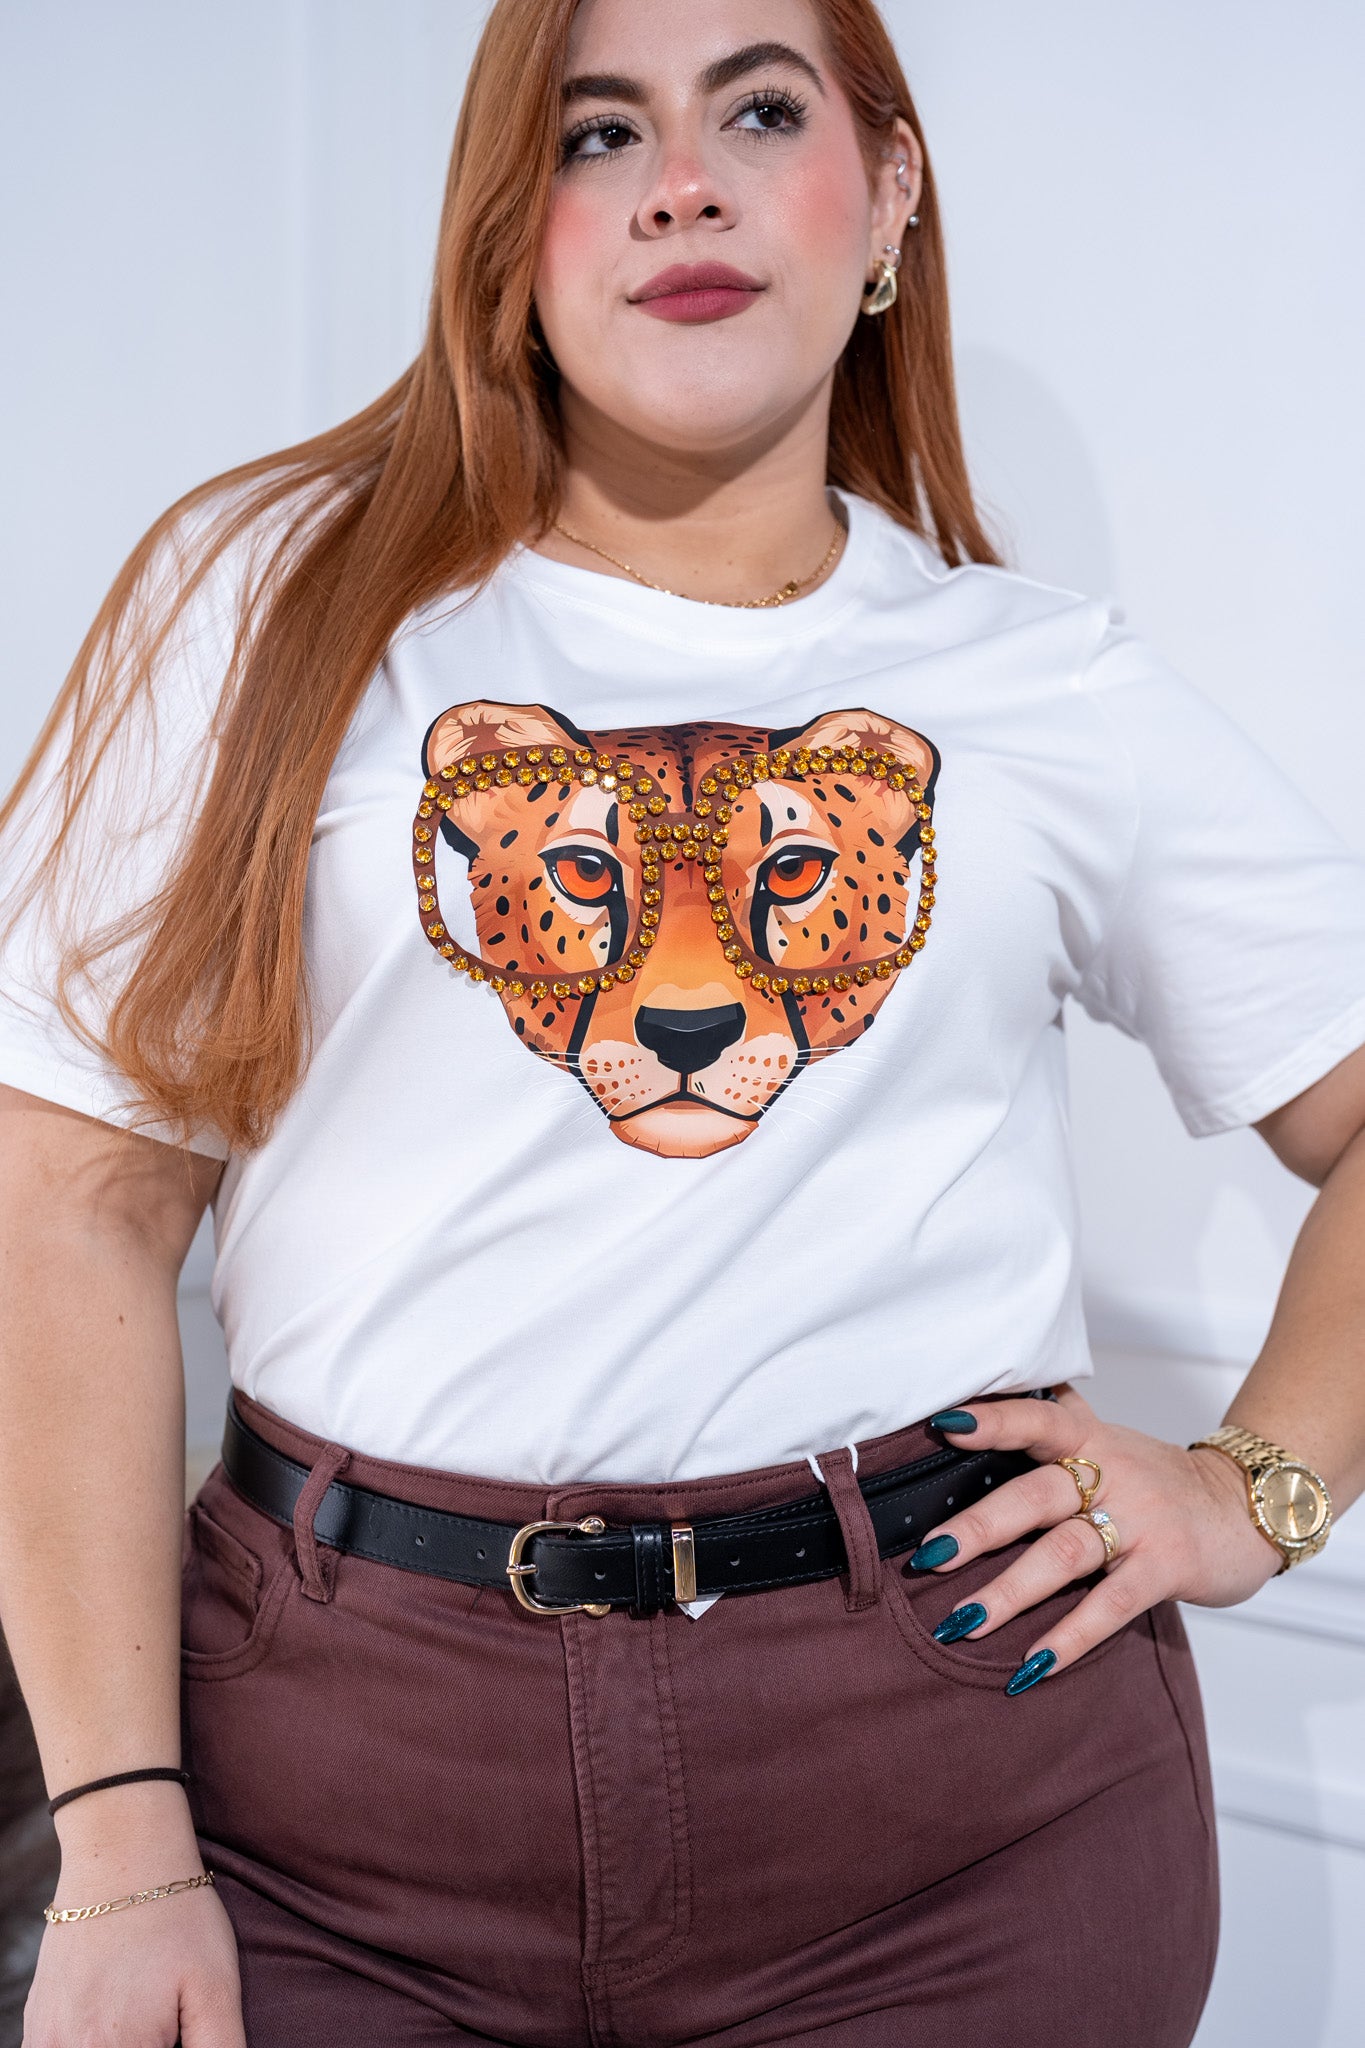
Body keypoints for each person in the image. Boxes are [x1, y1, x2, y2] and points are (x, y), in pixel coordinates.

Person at [2, 0, 1363, 2042]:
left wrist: (1260, 1487)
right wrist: (121, 1842)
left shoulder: (1033, 686)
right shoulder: (269, 600)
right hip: (339, 1787)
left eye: (758, 110)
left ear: (886, 196)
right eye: (596, 134)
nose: (683, 188)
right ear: (507, 222)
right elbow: (69, 1212)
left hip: (950, 1790)